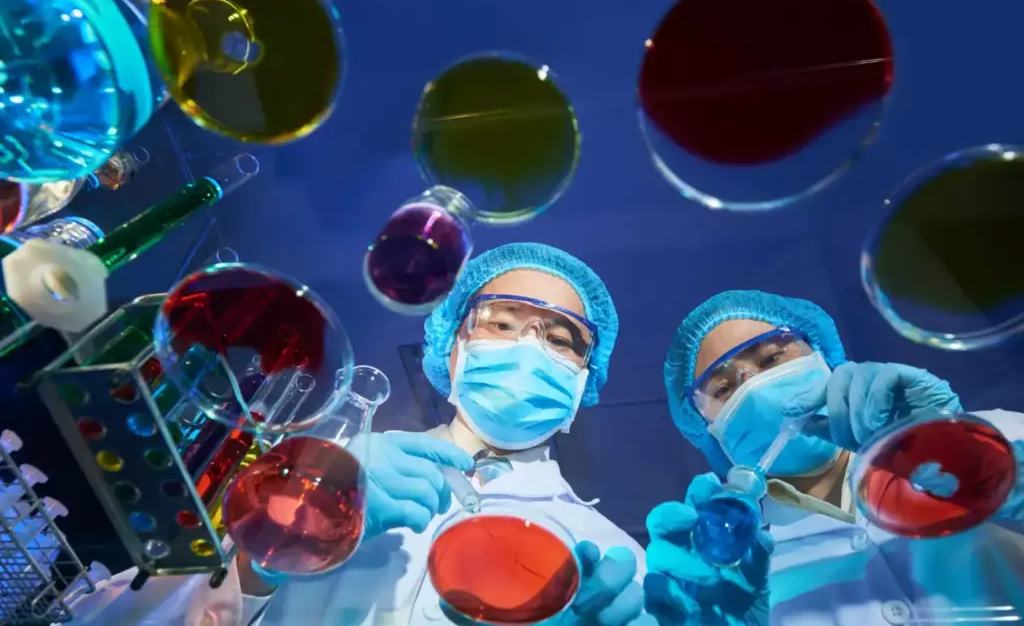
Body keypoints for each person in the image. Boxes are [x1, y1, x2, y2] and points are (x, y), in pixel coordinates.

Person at [64, 243, 647, 626]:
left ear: (585, 380)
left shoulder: (613, 563)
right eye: (501, 322)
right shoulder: (318, 476)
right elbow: (101, 617)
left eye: (562, 339)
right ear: (451, 347)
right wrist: (260, 560)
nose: (529, 347)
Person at [642, 290, 1024, 626]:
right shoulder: (735, 568)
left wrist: (985, 469)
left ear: (823, 356)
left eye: (772, 358)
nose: (754, 387)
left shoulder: (995, 438)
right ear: (706, 430)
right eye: (723, 388)